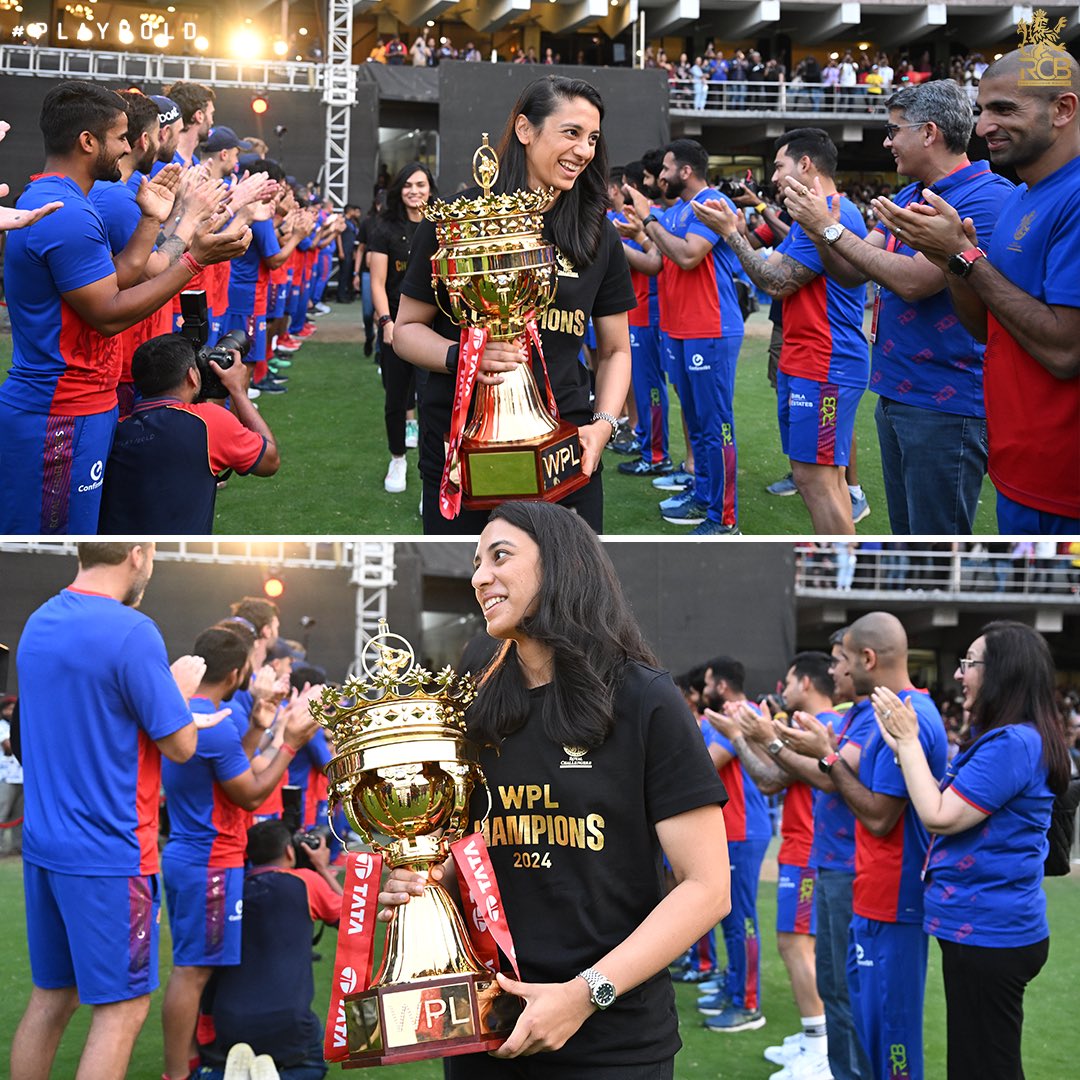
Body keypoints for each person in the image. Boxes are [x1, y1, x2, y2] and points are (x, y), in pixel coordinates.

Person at [378, 500, 731, 1075]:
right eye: (475, 562)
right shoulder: (477, 702)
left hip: (610, 1043)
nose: (480, 576)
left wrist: (582, 994)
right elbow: (470, 850)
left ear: (561, 564)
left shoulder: (644, 698)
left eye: (500, 556)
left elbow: (708, 887)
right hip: (483, 1029)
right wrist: (424, 879)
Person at [0, 81, 250, 534]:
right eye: (119, 137)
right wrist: (195, 260)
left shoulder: (68, 200)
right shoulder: (68, 212)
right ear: (87, 141)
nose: (128, 146)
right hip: (59, 413)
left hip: (77, 406)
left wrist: (154, 218)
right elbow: (109, 312)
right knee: (55, 536)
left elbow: (119, 274)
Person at [395, 75, 634, 534]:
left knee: (568, 596)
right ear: (525, 130)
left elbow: (615, 350)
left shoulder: (597, 233)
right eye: (571, 133)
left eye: (592, 139)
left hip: (567, 449)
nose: (583, 150)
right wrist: (462, 357)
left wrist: (603, 425)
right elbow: (405, 330)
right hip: (461, 448)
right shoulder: (456, 219)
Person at [8, 542, 211, 1080]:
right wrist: (177, 690)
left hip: (44, 846)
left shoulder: (39, 622)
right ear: (138, 555)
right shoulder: (131, 630)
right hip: (111, 853)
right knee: (122, 1008)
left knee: (52, 997)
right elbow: (181, 746)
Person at [781, 80, 1014, 534]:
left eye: (893, 130)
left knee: (933, 540)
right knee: (907, 535)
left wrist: (826, 227)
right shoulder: (910, 194)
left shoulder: (986, 196)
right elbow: (852, 270)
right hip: (896, 393)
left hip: (944, 401)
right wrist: (818, 227)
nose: (887, 142)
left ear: (929, 133)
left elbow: (912, 282)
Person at [871, 49, 1080, 532]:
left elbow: (1066, 349)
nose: (984, 126)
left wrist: (960, 257)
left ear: (1064, 110)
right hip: (1019, 465)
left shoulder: (1063, 196)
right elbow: (983, 325)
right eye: (982, 110)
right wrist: (953, 257)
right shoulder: (1022, 198)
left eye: (1004, 110)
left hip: (1062, 480)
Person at [871, 622, 1070, 1080]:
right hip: (981, 929)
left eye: (969, 663)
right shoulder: (1008, 739)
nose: (959, 675)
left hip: (991, 933)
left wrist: (907, 741)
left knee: (986, 1065)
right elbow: (946, 796)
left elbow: (940, 814)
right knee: (976, 1060)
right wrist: (902, 749)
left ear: (1002, 672)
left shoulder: (1015, 743)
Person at [785, 613, 947, 1080]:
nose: (840, 670)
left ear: (868, 658)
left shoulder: (910, 717)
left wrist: (830, 756)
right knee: (868, 1025)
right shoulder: (888, 713)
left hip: (895, 900)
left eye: (845, 660)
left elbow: (879, 816)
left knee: (892, 1037)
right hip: (873, 892)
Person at [160, 626, 321, 1080]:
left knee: (197, 971)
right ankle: (178, 1072)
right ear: (236, 673)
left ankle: (192, 1059)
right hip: (211, 860)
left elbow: (228, 767)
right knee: (192, 973)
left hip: (191, 853)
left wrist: (255, 726)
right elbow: (249, 795)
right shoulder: (211, 726)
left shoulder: (190, 714)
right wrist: (291, 742)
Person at [692, 128, 869, 534]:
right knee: (822, 478)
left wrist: (730, 233)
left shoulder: (829, 213)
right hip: (808, 358)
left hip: (825, 362)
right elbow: (777, 271)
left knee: (816, 478)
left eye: (779, 165)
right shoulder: (813, 216)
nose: (773, 177)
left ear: (805, 165)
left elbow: (775, 282)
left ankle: (840, 573)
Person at [711, 653, 839, 1078]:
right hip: (803, 848)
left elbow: (767, 779)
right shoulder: (813, 727)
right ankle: (814, 1039)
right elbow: (772, 777)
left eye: (788, 681)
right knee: (803, 946)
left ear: (806, 682)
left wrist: (750, 737)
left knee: (795, 945)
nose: (783, 689)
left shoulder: (824, 728)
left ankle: (820, 1046)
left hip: (809, 852)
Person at [620, 140, 744, 534]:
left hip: (710, 329)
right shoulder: (674, 212)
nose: (660, 177)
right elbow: (658, 263)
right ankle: (704, 497)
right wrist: (633, 236)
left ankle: (725, 520)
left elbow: (689, 255)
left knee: (715, 424)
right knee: (697, 423)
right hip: (679, 330)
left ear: (685, 172)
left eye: (667, 169)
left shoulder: (713, 204)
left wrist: (648, 222)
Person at [195, 821, 342, 1079]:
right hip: (290, 1024)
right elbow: (353, 920)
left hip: (228, 1023)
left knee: (213, 1068)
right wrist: (321, 868)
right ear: (289, 851)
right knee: (312, 1066)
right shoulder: (306, 881)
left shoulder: (226, 891)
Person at [97, 333, 280, 533]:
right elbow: (269, 461)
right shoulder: (209, 421)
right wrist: (238, 390)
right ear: (192, 376)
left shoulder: (116, 428)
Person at [368, 162, 437, 495]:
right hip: (395, 325)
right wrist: (386, 321)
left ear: (430, 188)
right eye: (408, 185)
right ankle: (398, 458)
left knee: (431, 400)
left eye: (421, 185)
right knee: (396, 399)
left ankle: (431, 475)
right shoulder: (384, 227)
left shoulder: (440, 223)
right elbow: (378, 283)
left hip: (433, 329)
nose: (415, 191)